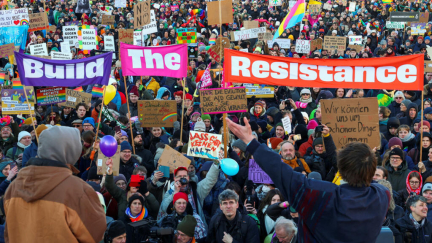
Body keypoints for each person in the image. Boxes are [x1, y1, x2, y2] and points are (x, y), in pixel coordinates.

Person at [226, 117, 390, 242]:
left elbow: (282, 172)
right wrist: (367, 157)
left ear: (342, 168)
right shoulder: (382, 195)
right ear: (372, 170)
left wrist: (251, 142)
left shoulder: (324, 196)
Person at [3, 126, 106, 242]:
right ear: (71, 150)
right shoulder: (77, 189)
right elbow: (94, 234)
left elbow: (9, 232)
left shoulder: (14, 186)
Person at [159, 163, 220, 229]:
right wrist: (175, 192)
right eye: (179, 176)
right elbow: (164, 208)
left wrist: (215, 164)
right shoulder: (170, 192)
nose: (182, 178)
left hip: (195, 227)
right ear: (175, 178)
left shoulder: (196, 190)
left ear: (188, 177)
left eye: (184, 176)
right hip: (176, 228)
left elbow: (210, 180)